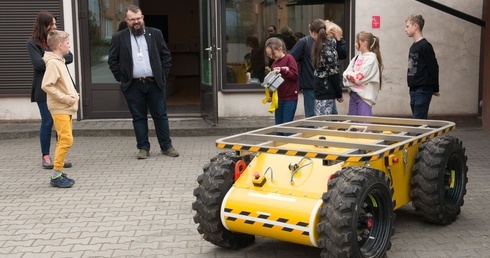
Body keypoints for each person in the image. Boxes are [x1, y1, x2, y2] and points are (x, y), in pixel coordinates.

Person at [108, 5, 179, 159]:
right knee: (139, 117)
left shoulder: (155, 34)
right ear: (127, 20)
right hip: (133, 85)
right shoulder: (118, 38)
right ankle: (143, 148)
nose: (136, 22)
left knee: (160, 115)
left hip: (154, 83)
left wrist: (163, 75)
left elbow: (166, 56)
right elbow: (113, 61)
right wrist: (122, 78)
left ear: (143, 17)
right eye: (133, 19)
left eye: (138, 18)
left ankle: (167, 146)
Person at [27, 11, 73, 169]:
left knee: (62, 123)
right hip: (43, 90)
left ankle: (60, 156)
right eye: (51, 24)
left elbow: (70, 57)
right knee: (48, 122)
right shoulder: (33, 43)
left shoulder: (57, 39)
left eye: (55, 23)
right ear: (43, 25)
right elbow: (38, 65)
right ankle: (46, 156)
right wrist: (56, 58)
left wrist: (50, 58)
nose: (54, 26)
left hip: (61, 89)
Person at [41, 30, 79, 188]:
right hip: (60, 108)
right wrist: (65, 98)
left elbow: (61, 84)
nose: (70, 46)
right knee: (66, 139)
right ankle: (56, 175)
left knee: (64, 140)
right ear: (60, 45)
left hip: (66, 107)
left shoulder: (59, 61)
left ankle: (58, 172)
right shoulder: (53, 63)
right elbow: (46, 85)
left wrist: (73, 94)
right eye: (68, 43)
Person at [289, 19, 347, 117]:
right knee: (314, 116)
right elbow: (291, 59)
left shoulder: (328, 45)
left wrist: (339, 40)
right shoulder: (306, 42)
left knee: (329, 116)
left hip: (325, 87)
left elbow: (342, 55)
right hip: (312, 85)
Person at [405, 14, 440, 119]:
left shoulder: (425, 46)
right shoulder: (413, 47)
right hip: (413, 88)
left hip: (424, 88)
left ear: (415, 26)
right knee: (417, 118)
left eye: (407, 26)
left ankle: (421, 134)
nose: (405, 29)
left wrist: (435, 88)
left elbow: (433, 67)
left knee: (419, 119)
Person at [343, 31, 383, 116]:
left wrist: (350, 77)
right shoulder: (356, 58)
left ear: (364, 43)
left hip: (364, 98)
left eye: (357, 41)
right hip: (353, 94)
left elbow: (359, 78)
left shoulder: (371, 59)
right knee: (353, 125)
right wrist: (352, 77)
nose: (355, 44)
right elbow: (345, 74)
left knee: (364, 126)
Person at [310, 19, 344, 115]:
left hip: (324, 89)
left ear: (313, 33)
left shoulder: (325, 48)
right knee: (322, 121)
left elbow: (333, 73)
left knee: (323, 122)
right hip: (322, 89)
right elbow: (334, 72)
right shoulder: (322, 46)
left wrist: (339, 93)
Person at [264, 37, 299, 126]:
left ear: (280, 49)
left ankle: (288, 139)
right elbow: (274, 82)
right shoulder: (274, 64)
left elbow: (295, 76)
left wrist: (283, 70)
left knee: (286, 126)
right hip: (278, 98)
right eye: (269, 55)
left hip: (290, 98)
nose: (272, 57)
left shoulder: (289, 58)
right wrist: (270, 93)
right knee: (278, 127)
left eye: (273, 54)